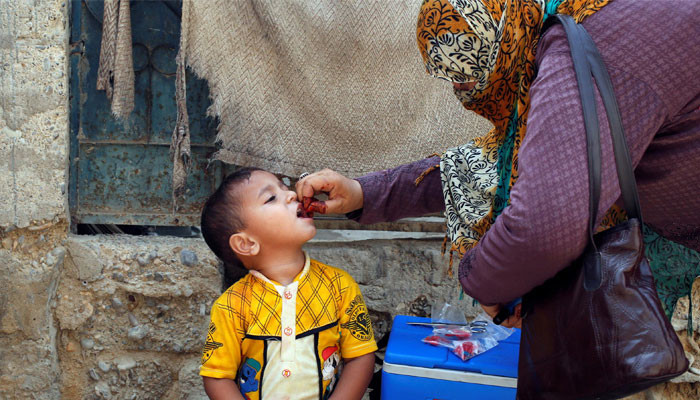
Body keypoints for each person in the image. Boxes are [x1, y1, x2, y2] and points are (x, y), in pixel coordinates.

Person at [296, 0, 700, 329]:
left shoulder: (584, 49)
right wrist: (363, 193)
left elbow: (543, 225)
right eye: (451, 81)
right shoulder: (571, 29)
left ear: (502, 39)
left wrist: (485, 282)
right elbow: (489, 163)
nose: (466, 96)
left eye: (470, 79)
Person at [199, 167, 377, 400]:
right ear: (246, 244)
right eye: (271, 197)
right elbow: (217, 376)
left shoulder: (340, 287)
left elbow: (360, 356)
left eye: (285, 187)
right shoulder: (231, 306)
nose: (292, 194)